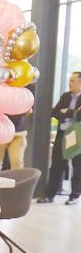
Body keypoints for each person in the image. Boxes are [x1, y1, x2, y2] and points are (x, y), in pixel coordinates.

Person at [38, 71, 81, 205]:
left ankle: (74, 195)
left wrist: (67, 112)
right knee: (56, 165)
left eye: (73, 80)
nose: (70, 83)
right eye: (70, 80)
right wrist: (71, 113)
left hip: (77, 137)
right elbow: (55, 112)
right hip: (63, 135)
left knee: (78, 166)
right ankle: (49, 194)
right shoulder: (65, 96)